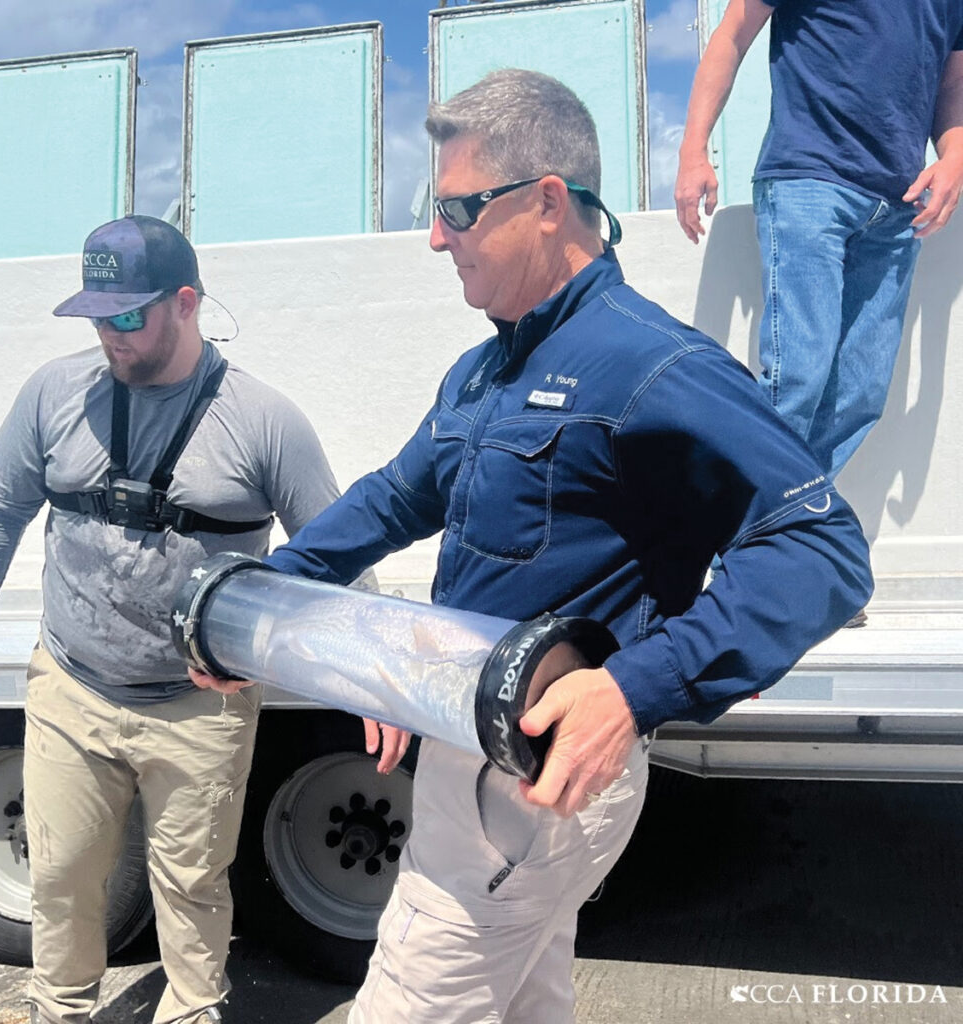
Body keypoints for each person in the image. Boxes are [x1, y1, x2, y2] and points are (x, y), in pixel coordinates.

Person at [235, 69, 872, 1023]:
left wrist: (631, 687)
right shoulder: (486, 368)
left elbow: (823, 549)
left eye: (456, 208)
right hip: (471, 750)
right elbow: (396, 497)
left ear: (544, 203)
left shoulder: (651, 365)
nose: (436, 236)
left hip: (531, 779)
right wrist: (264, 601)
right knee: (531, 1004)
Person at [0, 215, 342, 1024]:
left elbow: (336, 554)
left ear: (186, 302)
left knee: (192, 885)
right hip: (73, 688)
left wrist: (369, 681)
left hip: (201, 706)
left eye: (128, 315)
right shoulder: (56, 394)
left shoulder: (263, 421)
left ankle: (193, 1010)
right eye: (96, 316)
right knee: (60, 875)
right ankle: (63, 1007)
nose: (109, 336)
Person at [675, 0, 963, 482]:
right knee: (796, 380)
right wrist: (692, 150)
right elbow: (732, 33)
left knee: (859, 395)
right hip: (809, 179)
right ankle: (739, 546)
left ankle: (786, 531)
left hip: (898, 206)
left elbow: (953, 83)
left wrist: (954, 155)